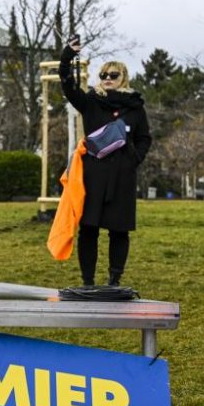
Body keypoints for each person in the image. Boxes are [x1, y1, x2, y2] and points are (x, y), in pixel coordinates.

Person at [58, 40, 152, 286]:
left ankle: (114, 280)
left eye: (113, 74)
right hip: (93, 174)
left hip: (122, 175)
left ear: (123, 78)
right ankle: (87, 281)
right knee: (88, 228)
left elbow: (144, 138)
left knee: (119, 230)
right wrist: (67, 57)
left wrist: (134, 159)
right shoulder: (90, 102)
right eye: (103, 75)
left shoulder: (135, 107)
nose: (107, 78)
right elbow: (67, 86)